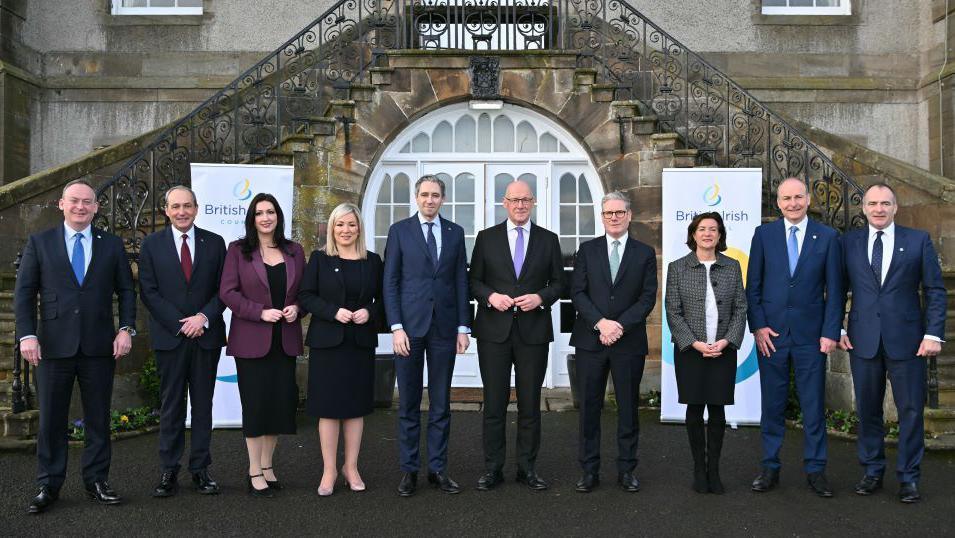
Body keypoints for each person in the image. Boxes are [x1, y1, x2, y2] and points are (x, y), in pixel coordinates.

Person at [15, 179, 136, 514]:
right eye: (74, 201)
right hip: (53, 346)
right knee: (51, 420)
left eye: (87, 202)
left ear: (97, 207)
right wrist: (26, 334)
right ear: (61, 204)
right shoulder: (40, 243)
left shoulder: (111, 245)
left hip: (100, 346)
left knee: (98, 419)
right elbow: (25, 294)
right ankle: (48, 485)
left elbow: (127, 291)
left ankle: (97, 481)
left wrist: (126, 329)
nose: (81, 207)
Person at [839, 183, 946, 504]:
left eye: (885, 203)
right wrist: (837, 327)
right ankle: (872, 471)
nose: (879, 209)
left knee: (911, 411)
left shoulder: (918, 241)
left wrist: (933, 333)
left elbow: (935, 291)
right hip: (863, 340)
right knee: (868, 410)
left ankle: (909, 477)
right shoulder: (849, 243)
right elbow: (835, 287)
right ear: (863, 208)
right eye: (873, 203)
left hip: (909, 342)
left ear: (896, 207)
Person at [747, 177, 843, 498]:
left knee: (813, 406)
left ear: (808, 198)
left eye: (798, 197)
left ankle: (816, 470)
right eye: (786, 198)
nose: (792, 203)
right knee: (772, 405)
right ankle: (769, 467)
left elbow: (836, 290)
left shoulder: (828, 237)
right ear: (777, 202)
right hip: (771, 336)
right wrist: (758, 326)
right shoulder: (763, 235)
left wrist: (831, 332)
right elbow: (754, 287)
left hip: (811, 338)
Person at [469, 179, 564, 492]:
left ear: (533, 202)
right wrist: (490, 297)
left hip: (532, 332)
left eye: (526, 200)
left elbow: (559, 284)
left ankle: (527, 469)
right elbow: (473, 282)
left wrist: (541, 298)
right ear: (504, 203)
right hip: (493, 332)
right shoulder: (486, 238)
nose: (520, 205)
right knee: (493, 404)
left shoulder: (549, 240)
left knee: (530, 405)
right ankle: (493, 469)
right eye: (514, 200)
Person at [383, 175, 471, 497]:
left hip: (444, 330)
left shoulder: (455, 233)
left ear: (443, 199)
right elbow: (390, 282)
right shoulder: (400, 231)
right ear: (416, 197)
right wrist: (395, 327)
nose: (430, 200)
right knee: (408, 403)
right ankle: (409, 471)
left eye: (435, 195)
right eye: (425, 195)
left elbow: (461, 281)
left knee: (441, 403)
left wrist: (464, 326)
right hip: (408, 330)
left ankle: (437, 469)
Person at [139, 185, 227, 498]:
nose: (182, 212)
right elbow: (148, 292)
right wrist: (180, 324)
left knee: (203, 406)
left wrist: (202, 318)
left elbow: (224, 290)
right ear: (166, 210)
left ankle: (201, 470)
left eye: (187, 206)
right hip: (171, 338)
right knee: (172, 406)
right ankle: (169, 471)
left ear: (196, 208)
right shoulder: (151, 244)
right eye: (175, 206)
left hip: (206, 336)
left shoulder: (215, 243)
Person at [569, 191, 657, 493]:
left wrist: (619, 325)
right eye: (609, 213)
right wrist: (600, 323)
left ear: (629, 215)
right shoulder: (587, 250)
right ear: (602, 216)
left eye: (619, 212)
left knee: (629, 409)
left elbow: (647, 297)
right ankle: (589, 471)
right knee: (589, 408)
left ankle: (626, 470)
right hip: (591, 341)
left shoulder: (644, 253)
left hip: (628, 341)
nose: (614, 218)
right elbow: (577, 292)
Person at [219, 193, 305, 498]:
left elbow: (303, 292)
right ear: (252, 218)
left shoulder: (294, 251)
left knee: (278, 407)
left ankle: (268, 467)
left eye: (270, 212)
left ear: (278, 216)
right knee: (255, 407)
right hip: (251, 341)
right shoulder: (238, 251)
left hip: (285, 341)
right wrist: (260, 312)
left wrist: (297, 308)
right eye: (259, 213)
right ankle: (253, 469)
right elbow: (227, 292)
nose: (265, 217)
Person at [298, 203, 383, 496]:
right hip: (328, 343)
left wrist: (369, 313)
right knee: (329, 409)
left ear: (359, 228)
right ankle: (329, 470)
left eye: (351, 225)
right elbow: (306, 296)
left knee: (355, 408)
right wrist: (333, 312)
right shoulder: (320, 259)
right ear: (332, 228)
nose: (345, 230)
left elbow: (384, 299)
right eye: (340, 225)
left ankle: (352, 467)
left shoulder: (372, 261)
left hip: (359, 343)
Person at [664, 211, 747, 494]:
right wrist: (695, 343)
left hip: (723, 350)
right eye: (702, 229)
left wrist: (726, 342)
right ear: (693, 234)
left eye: (713, 229)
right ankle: (699, 469)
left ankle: (715, 470)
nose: (708, 233)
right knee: (694, 408)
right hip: (691, 351)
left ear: (720, 235)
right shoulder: (678, 268)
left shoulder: (732, 267)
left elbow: (740, 309)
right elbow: (673, 312)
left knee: (718, 409)